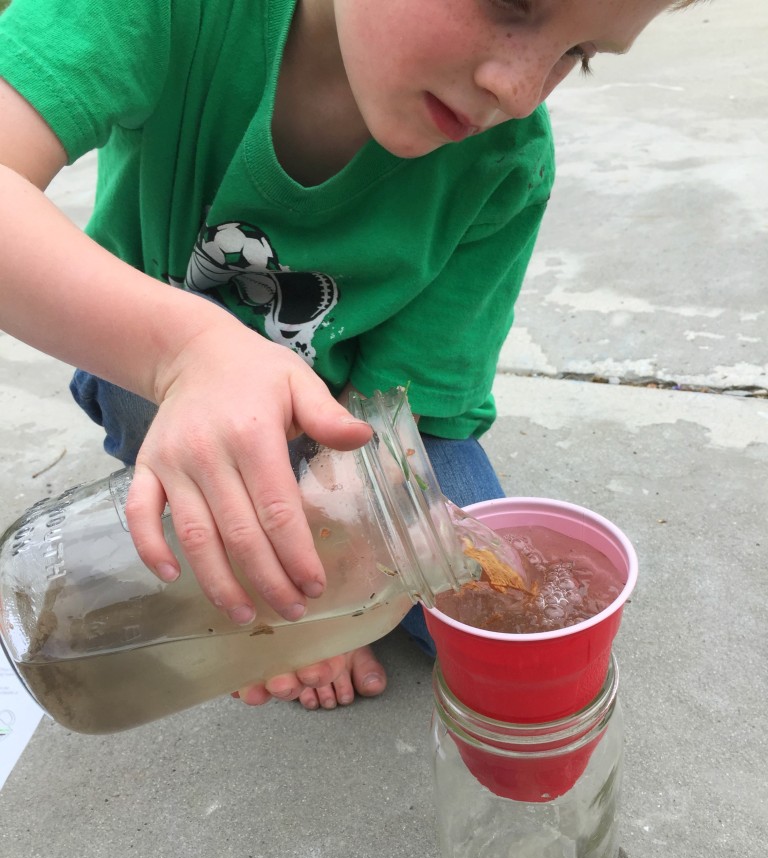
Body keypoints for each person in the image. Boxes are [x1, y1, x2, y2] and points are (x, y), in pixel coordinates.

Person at [0, 0, 693, 711]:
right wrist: (186, 353)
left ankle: (264, 559)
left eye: (575, 54)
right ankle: (214, 500)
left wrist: (346, 569)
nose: (517, 91)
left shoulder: (503, 165)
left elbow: (407, 402)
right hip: (155, 372)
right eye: (510, 4)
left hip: (356, 418)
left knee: (492, 604)